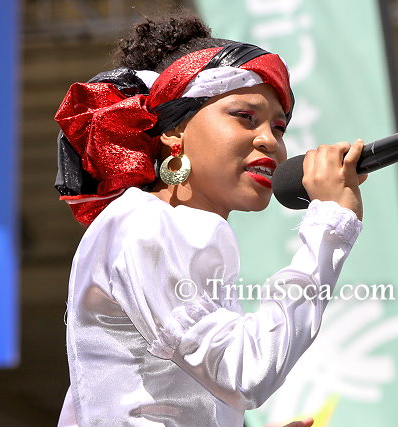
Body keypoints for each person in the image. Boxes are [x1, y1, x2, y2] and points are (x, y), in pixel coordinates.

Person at [53, 14, 367, 427]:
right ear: (174, 130)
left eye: (279, 127)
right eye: (244, 116)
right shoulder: (148, 224)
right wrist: (330, 225)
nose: (270, 141)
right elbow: (246, 373)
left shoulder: (161, 225)